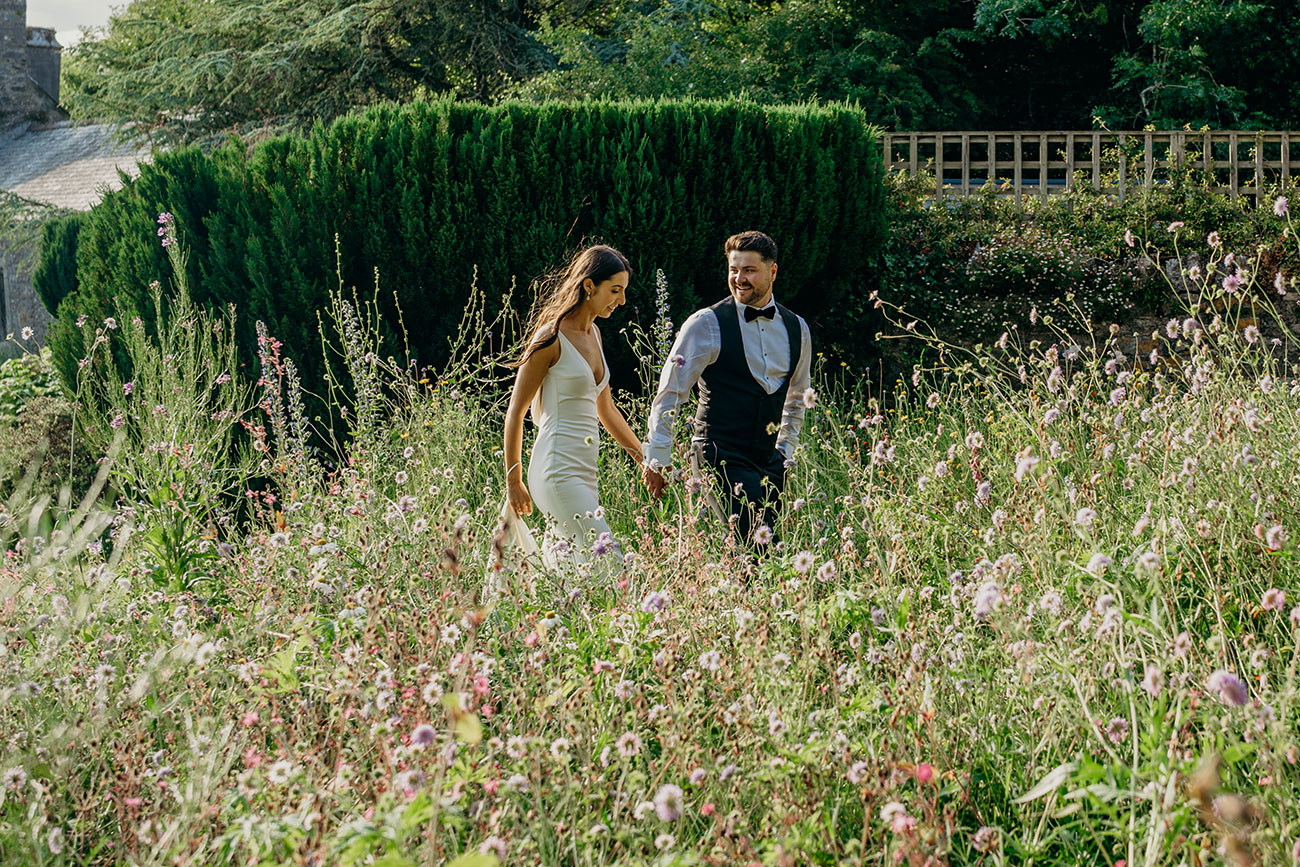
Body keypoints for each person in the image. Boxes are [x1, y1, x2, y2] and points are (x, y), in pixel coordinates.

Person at [642, 231, 812, 545]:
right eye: (734, 269)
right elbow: (671, 391)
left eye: (749, 270)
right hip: (718, 453)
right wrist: (657, 457)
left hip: (769, 460)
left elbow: (798, 399)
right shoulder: (705, 324)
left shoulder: (796, 328)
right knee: (757, 544)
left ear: (772, 272)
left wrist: (784, 454)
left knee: (758, 554)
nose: (739, 278)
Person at [503, 244, 644, 573]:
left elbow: (606, 409)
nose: (621, 301)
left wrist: (644, 460)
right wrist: (513, 479)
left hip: (584, 472)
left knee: (573, 570)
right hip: (556, 470)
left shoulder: (593, 334)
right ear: (589, 286)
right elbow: (516, 411)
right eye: (614, 290)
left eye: (623, 292)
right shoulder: (551, 338)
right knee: (612, 563)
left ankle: (549, 622)